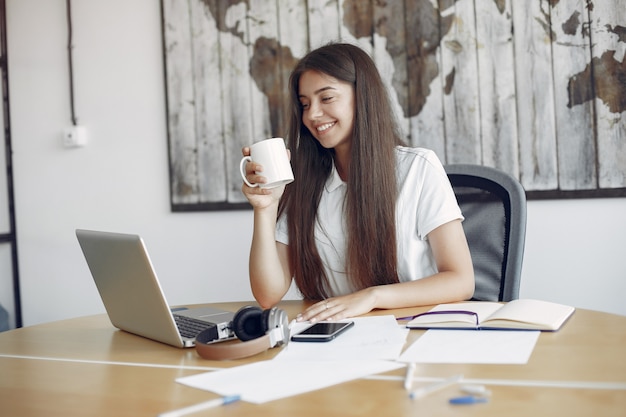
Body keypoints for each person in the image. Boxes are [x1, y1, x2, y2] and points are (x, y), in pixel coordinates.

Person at [241, 43, 474, 323]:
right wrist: (265, 208)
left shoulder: (417, 169)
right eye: (305, 104)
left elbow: (461, 281)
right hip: (337, 339)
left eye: (326, 98)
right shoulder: (304, 183)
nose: (312, 114)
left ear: (362, 97)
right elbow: (267, 295)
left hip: (415, 331)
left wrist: (372, 297)